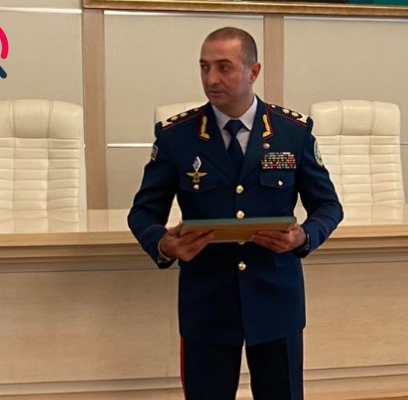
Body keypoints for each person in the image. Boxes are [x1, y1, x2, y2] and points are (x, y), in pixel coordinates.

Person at [128, 26, 343, 400]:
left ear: (253, 71)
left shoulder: (291, 133)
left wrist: (304, 236)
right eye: (204, 67)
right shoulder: (177, 137)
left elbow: (328, 206)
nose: (211, 79)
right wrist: (163, 244)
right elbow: (143, 212)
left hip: (275, 298)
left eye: (224, 67)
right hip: (207, 301)